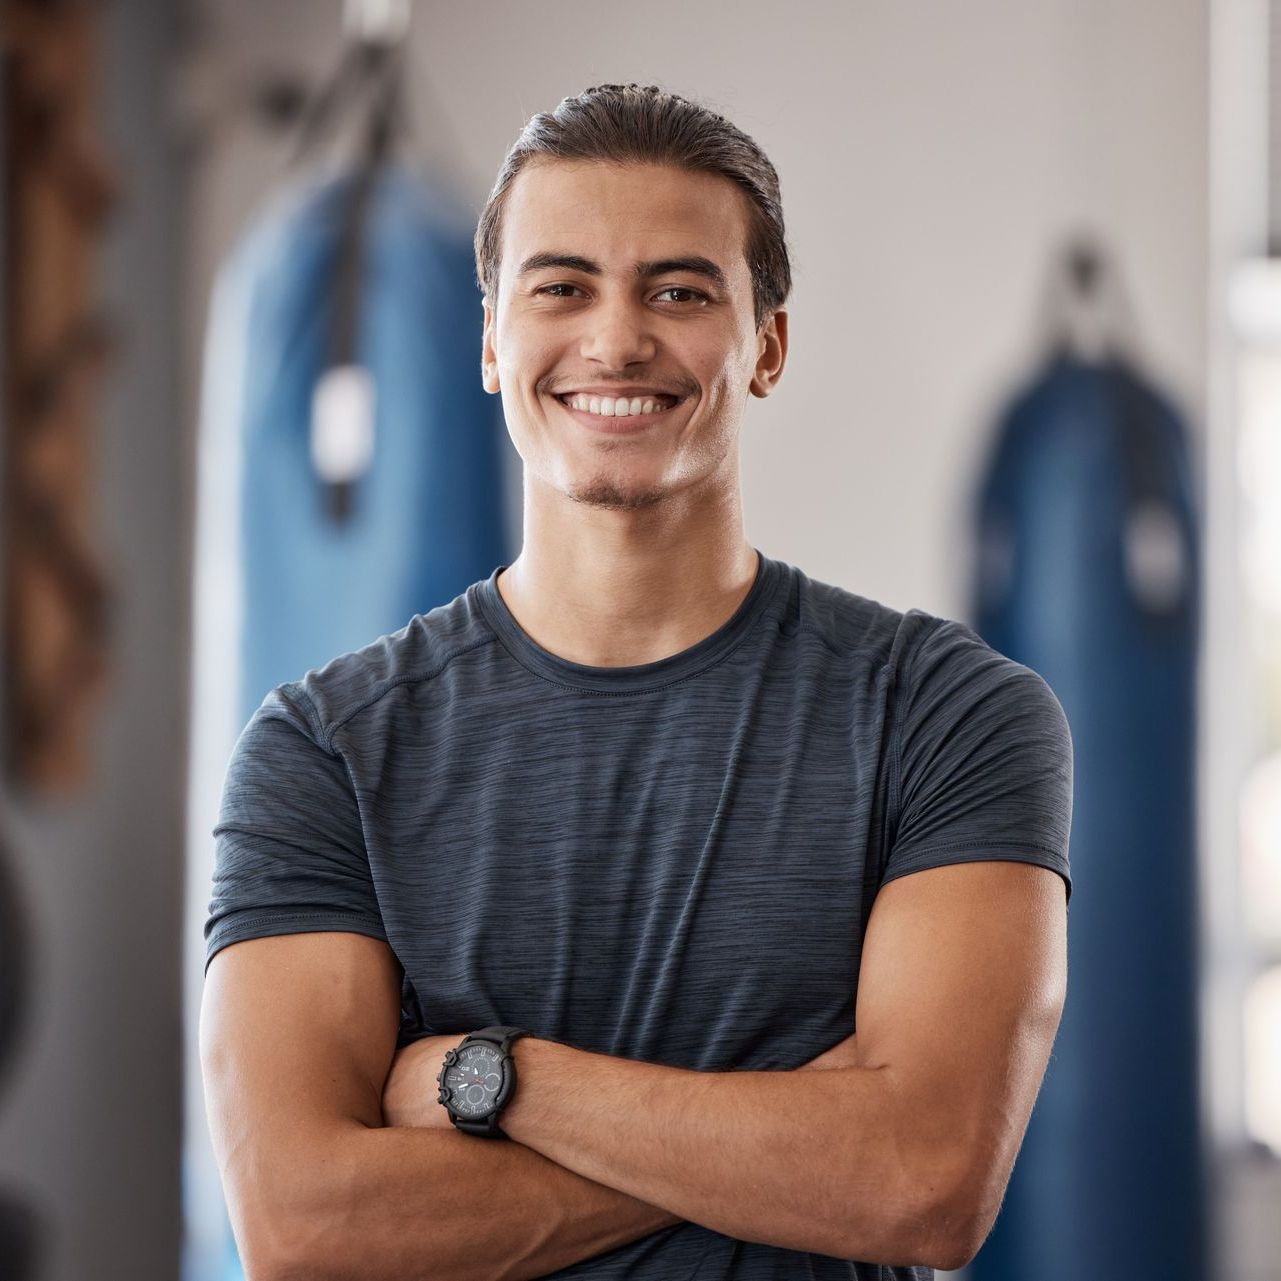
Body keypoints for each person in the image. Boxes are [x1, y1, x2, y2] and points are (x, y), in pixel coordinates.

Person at [200, 83, 1072, 1281]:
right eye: (562, 287)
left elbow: (922, 1182)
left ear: (766, 344)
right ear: (494, 343)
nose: (616, 341)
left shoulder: (948, 717)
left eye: (679, 290)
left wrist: (494, 1080)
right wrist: (789, 1142)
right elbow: (306, 1231)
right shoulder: (322, 749)